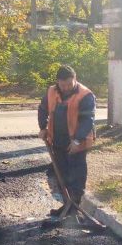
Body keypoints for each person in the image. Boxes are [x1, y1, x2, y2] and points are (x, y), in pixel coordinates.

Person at [37, 64, 96, 220]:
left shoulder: (85, 95)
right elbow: (42, 109)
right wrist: (42, 127)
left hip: (78, 143)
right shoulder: (51, 91)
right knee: (61, 175)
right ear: (58, 82)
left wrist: (77, 140)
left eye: (69, 84)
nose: (66, 88)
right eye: (63, 85)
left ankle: (74, 208)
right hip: (57, 141)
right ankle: (67, 206)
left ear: (75, 79)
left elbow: (87, 120)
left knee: (76, 176)